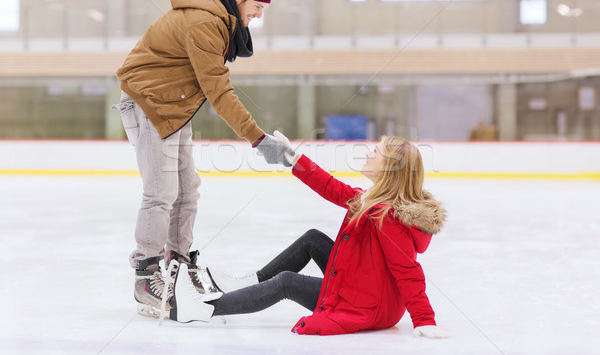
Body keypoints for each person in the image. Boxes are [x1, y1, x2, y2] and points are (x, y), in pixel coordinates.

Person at [112, 0, 292, 317]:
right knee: (161, 190)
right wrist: (259, 140)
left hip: (173, 103)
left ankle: (177, 264)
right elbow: (219, 93)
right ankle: (147, 277)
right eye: (257, 7)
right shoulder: (205, 23)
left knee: (187, 188)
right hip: (148, 99)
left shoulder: (220, 17)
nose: (258, 16)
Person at [167, 135, 450, 338]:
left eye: (375, 152)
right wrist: (293, 158)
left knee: (286, 283)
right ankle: (247, 283)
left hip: (367, 305)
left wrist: (424, 319)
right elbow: (331, 187)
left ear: (389, 169)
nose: (367, 154)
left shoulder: (387, 218)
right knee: (313, 239)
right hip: (366, 289)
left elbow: (407, 271)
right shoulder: (370, 201)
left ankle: (203, 309)